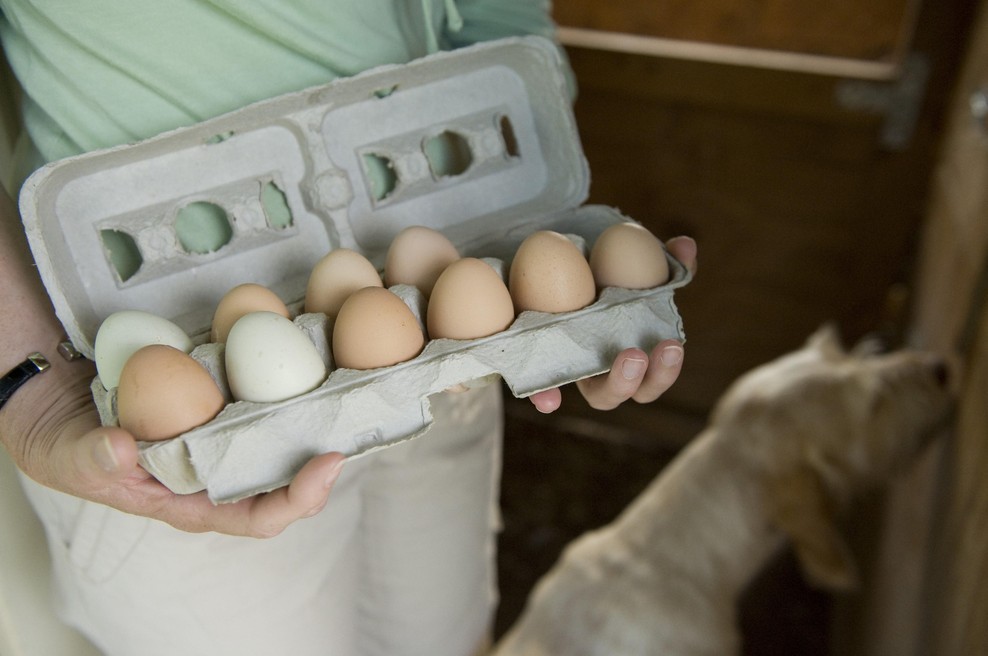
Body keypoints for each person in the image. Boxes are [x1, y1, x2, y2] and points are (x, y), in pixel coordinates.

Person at [0, 2, 697, 655]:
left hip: (438, 342)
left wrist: (546, 276)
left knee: (444, 638)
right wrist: (33, 396)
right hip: (194, 427)